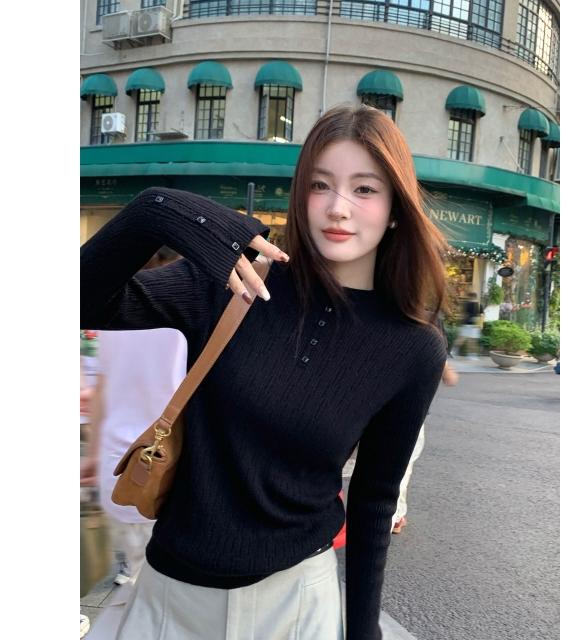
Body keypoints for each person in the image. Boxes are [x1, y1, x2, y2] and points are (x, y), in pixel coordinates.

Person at [80, 104, 448, 640]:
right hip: (169, 600)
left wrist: (363, 633)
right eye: (320, 185)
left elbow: (374, 501)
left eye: (365, 189)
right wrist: (157, 208)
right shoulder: (236, 284)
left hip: (296, 604)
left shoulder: (413, 347)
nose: (338, 208)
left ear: (395, 207)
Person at [80, 248, 188, 587]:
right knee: (165, 584)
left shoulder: (113, 310)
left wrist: (94, 456)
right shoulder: (187, 315)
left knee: (138, 573)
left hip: (118, 468)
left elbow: (102, 391)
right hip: (172, 469)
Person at [391, 361, 459, 534]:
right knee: (398, 470)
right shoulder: (426, 342)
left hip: (365, 407)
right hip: (406, 412)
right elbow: (450, 377)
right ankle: (393, 518)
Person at [454, 291, 484, 358]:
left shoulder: (469, 304)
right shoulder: (476, 304)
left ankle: (469, 354)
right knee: (466, 339)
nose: (470, 298)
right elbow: (481, 315)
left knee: (469, 339)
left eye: (470, 297)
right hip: (471, 325)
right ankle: (457, 352)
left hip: (469, 325)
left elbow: (464, 314)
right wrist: (481, 324)